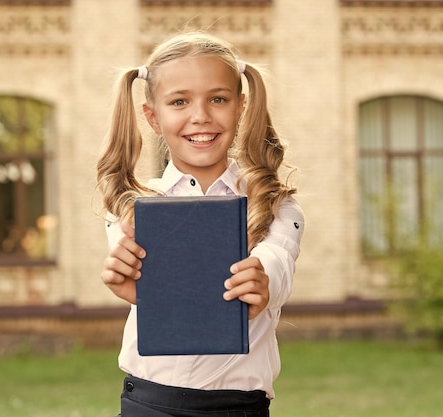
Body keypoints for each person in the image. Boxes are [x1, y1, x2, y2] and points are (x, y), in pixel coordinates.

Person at [96, 31, 304, 417]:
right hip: (149, 405)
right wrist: (128, 276)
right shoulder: (132, 208)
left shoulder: (276, 205)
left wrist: (263, 278)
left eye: (218, 99)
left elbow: (279, 261)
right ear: (153, 117)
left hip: (239, 408)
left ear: (240, 107)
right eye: (179, 102)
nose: (201, 116)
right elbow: (146, 278)